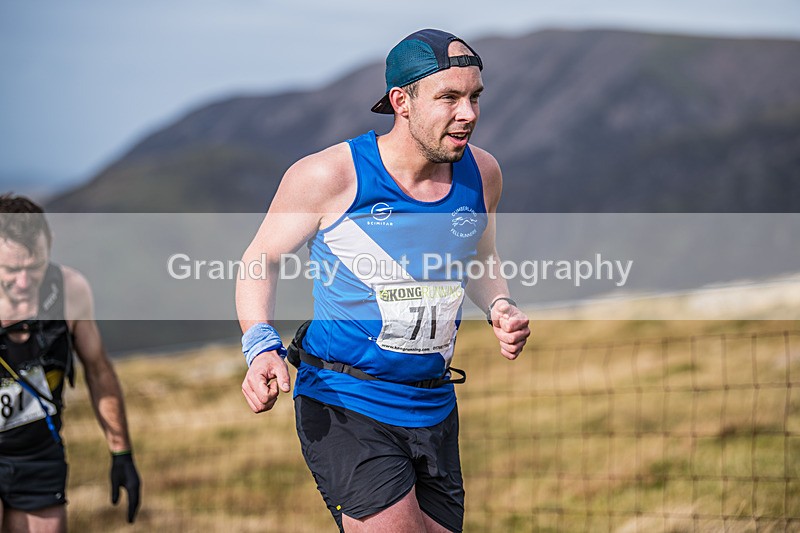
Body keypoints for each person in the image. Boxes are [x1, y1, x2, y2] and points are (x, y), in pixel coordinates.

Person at [237, 29, 530, 533]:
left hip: (433, 403)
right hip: (343, 399)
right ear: (402, 102)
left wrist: (499, 306)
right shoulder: (329, 176)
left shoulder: (483, 173)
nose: (469, 114)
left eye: (475, 96)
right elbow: (259, 261)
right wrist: (260, 345)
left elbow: (480, 257)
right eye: (449, 98)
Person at [0, 194, 140, 531]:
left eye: (34, 267)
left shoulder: (69, 290)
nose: (23, 282)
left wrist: (121, 453)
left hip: (39, 454)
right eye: (10, 269)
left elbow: (98, 371)